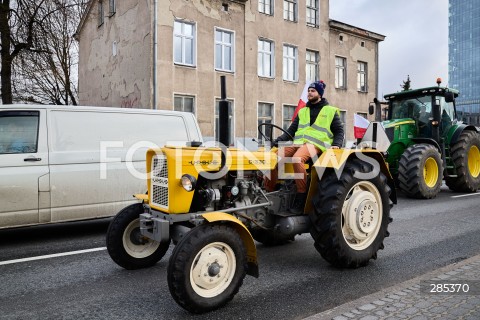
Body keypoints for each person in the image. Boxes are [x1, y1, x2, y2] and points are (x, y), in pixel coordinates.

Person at [265, 80, 345, 214]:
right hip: (299, 143)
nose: (309, 93)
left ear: (319, 94)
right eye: (308, 90)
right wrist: (277, 141)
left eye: (313, 91)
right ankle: (269, 193)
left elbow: (339, 131)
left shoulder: (330, 111)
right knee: (273, 157)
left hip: (317, 145)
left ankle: (301, 197)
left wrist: (336, 145)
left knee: (297, 159)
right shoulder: (303, 111)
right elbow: (290, 131)